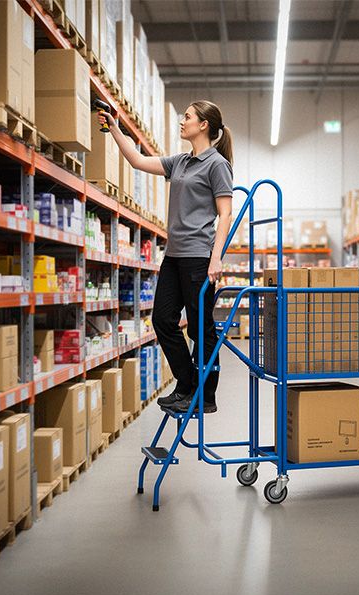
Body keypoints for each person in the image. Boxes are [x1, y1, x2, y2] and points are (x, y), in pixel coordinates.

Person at [98, 100, 233, 414]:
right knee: (162, 320)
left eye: (187, 117)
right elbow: (137, 161)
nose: (182, 121)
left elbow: (224, 214)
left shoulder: (217, 165)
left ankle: (206, 396)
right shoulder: (181, 162)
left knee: (201, 329)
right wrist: (114, 127)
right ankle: (187, 385)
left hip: (199, 256)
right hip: (173, 256)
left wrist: (216, 259)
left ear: (204, 125)